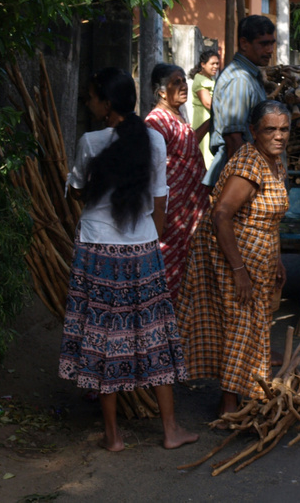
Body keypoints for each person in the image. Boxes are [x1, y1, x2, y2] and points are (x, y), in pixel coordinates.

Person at [58, 68, 197, 452]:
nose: (88, 103)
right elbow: (159, 202)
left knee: (102, 337)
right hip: (143, 250)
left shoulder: (90, 141)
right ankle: (170, 430)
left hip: (96, 250)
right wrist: (149, 238)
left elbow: (77, 191)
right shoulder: (153, 140)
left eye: (90, 97)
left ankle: (113, 437)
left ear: (106, 104)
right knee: (156, 336)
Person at [177, 101, 290, 418]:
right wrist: (239, 271)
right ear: (253, 132)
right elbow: (221, 215)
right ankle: (228, 406)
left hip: (259, 257)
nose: (278, 136)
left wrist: (277, 260)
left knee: (252, 327)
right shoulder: (250, 164)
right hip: (233, 256)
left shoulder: (274, 163)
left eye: (284, 129)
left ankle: (239, 397)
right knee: (240, 327)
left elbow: (272, 219)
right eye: (270, 129)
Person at [144, 63, 210, 301]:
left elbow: (189, 141)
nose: (183, 86)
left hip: (189, 209)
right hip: (170, 213)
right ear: (161, 91)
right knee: (167, 265)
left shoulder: (177, 116)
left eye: (183, 81)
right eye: (176, 82)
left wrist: (213, 121)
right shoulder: (156, 121)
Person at [203, 16, 276, 187]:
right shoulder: (239, 80)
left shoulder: (249, 76)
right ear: (244, 43)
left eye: (272, 43)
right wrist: (248, 183)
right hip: (239, 177)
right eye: (263, 44)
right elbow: (233, 140)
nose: (270, 50)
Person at [190, 49, 221, 169]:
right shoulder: (200, 81)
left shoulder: (210, 79)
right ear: (203, 64)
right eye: (212, 63)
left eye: (217, 64)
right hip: (204, 121)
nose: (215, 67)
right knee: (206, 158)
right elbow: (209, 104)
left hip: (211, 121)